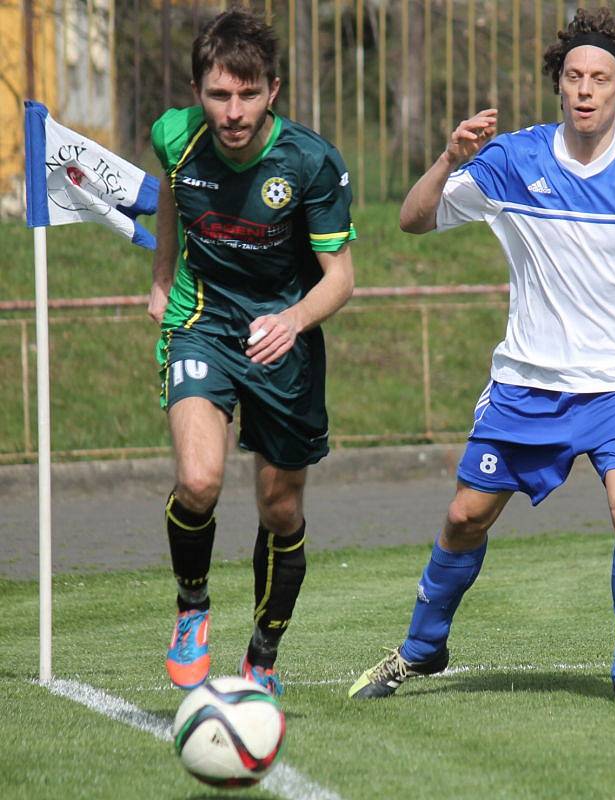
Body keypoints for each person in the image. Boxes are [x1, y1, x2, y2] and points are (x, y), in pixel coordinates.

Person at [349, 7, 615, 707]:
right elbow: (412, 219)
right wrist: (448, 159)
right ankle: (421, 648)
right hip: (526, 385)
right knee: (466, 516)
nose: (585, 89)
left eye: (600, 78)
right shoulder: (511, 161)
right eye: (573, 76)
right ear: (558, 86)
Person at [149, 9, 356, 694]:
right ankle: (191, 606)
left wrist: (293, 320)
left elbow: (342, 279)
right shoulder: (175, 138)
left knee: (280, 510)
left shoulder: (310, 161)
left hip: (282, 341)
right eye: (218, 95)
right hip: (202, 323)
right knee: (199, 480)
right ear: (196, 93)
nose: (232, 112)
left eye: (247, 94)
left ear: (274, 89)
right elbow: (174, 201)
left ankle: (262, 657)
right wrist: (160, 282)